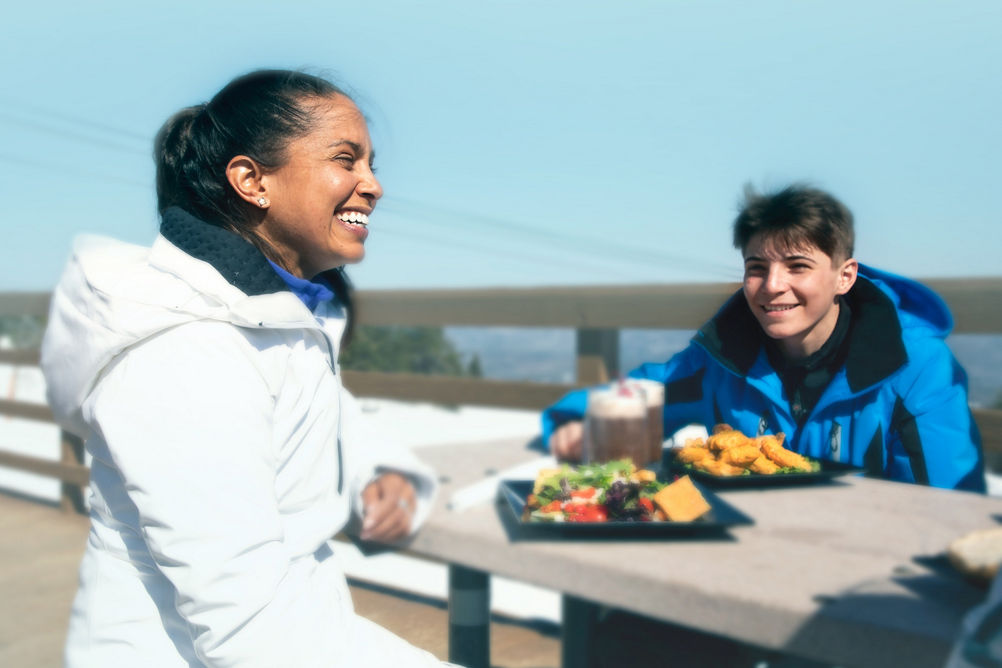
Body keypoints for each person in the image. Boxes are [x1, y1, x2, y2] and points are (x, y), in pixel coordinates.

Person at [41, 69, 457, 666]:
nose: (374, 185)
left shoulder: (275, 312)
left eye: (371, 163)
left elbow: (301, 416)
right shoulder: (186, 351)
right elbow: (247, 625)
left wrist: (372, 467)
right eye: (347, 159)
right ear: (251, 180)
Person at [543, 184, 985, 492]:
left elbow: (943, 507)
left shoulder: (916, 368)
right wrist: (576, 424)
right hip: (746, 567)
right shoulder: (723, 359)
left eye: (797, 266)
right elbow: (643, 392)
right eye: (757, 268)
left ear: (844, 276)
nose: (772, 285)